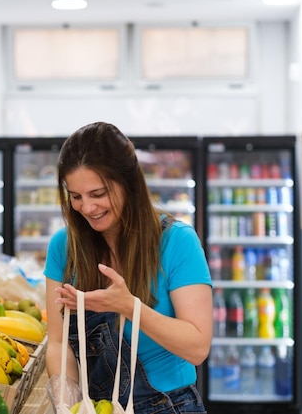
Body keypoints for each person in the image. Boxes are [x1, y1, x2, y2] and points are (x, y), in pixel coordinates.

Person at [44, 122, 212, 413]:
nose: (87, 208)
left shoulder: (177, 242)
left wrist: (130, 307)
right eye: (76, 196)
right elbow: (59, 343)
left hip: (170, 404)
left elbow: (197, 347)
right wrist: (67, 402)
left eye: (98, 194)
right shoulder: (64, 247)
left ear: (129, 183)